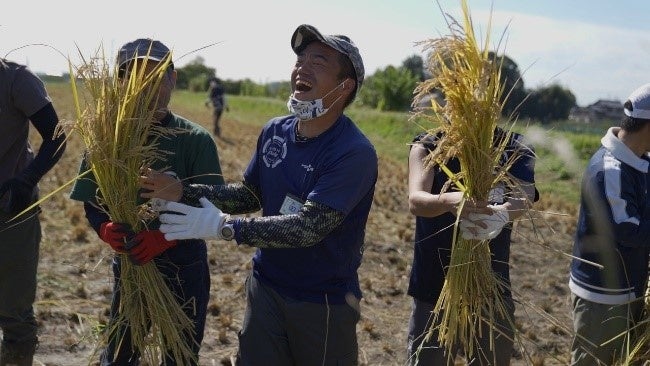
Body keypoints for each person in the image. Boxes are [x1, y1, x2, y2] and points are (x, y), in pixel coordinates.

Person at [138, 24, 377, 366]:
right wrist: (181, 191)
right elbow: (249, 195)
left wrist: (227, 228)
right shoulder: (274, 131)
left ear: (345, 86)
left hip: (322, 299)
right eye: (300, 59)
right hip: (265, 287)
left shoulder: (353, 152)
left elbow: (309, 227)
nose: (302, 67)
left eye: (319, 61)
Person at [68, 38, 224, 365]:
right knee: (121, 353)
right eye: (134, 78)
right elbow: (93, 200)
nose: (145, 88)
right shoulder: (106, 138)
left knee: (179, 354)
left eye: (155, 77)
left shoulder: (195, 140)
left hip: (184, 266)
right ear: (120, 84)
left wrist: (165, 238)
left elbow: (213, 208)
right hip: (131, 264)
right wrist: (104, 227)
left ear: (173, 79)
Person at [406, 128, 538, 365]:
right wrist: (445, 201)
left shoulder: (515, 146)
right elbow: (416, 200)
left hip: (491, 287)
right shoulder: (428, 144)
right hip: (435, 286)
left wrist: (500, 214)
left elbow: (524, 195)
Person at [569, 83, 650, 365]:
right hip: (602, 297)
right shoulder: (610, 170)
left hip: (630, 289)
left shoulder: (640, 162)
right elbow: (630, 231)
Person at [0, 58, 67, 365]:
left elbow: (57, 135)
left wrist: (26, 180)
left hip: (10, 211)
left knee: (14, 312)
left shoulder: (16, 80)